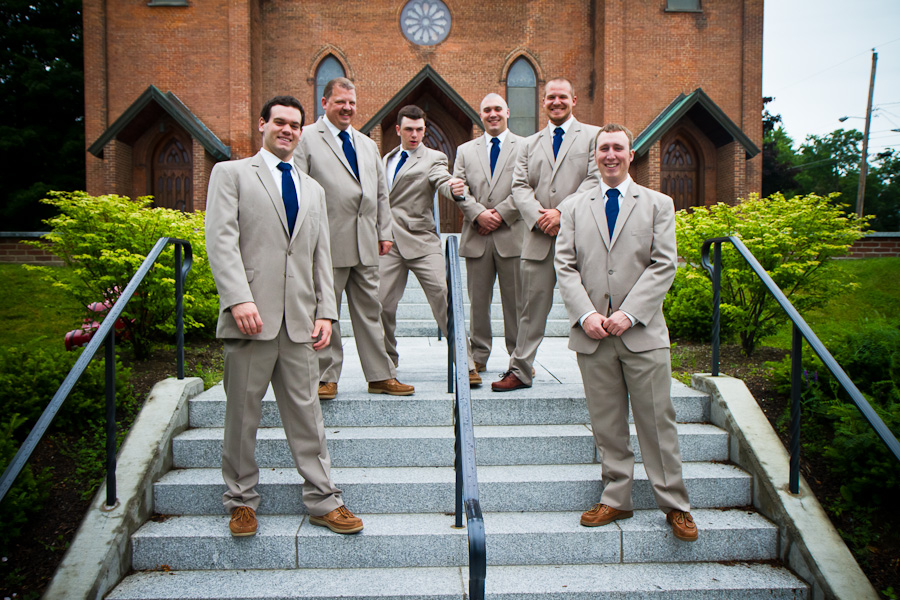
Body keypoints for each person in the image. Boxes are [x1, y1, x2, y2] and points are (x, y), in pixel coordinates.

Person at [205, 95, 363, 537]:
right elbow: (220, 239)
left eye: (295, 125)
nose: (288, 130)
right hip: (250, 319)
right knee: (242, 416)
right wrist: (238, 299)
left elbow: (320, 255)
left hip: (300, 323)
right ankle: (240, 500)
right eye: (279, 122)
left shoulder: (313, 189)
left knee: (308, 417)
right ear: (262, 124)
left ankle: (323, 499)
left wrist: (326, 312)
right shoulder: (232, 174)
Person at [554, 123, 698, 542]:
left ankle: (675, 504)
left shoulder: (658, 204)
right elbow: (565, 265)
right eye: (604, 148)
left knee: (657, 421)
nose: (610, 155)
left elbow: (663, 264)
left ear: (631, 155)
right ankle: (616, 497)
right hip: (593, 334)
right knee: (607, 423)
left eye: (618, 148)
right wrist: (586, 315)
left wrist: (630, 314)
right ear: (595, 155)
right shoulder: (574, 207)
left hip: (642, 334)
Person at [294, 78, 414, 399]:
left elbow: (380, 192)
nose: (347, 108)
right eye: (340, 102)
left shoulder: (366, 143)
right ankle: (325, 377)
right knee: (325, 313)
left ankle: (380, 376)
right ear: (324, 103)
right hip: (326, 244)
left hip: (365, 244)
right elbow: (301, 191)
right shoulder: (306, 138)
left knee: (371, 312)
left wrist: (384, 231)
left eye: (351, 103)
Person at [492, 77, 600, 391]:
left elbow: (594, 180)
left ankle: (598, 373)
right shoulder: (528, 144)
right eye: (551, 97)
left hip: (581, 238)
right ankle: (520, 370)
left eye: (562, 97)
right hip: (538, 237)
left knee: (589, 306)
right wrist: (540, 218)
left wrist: (561, 213)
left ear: (574, 100)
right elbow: (519, 186)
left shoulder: (593, 137)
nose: (556, 102)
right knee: (530, 309)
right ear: (544, 102)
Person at [380, 104, 480, 385]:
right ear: (398, 130)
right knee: (381, 305)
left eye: (419, 129)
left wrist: (454, 190)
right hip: (389, 244)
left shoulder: (434, 157)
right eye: (409, 129)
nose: (415, 135)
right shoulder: (386, 159)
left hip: (422, 242)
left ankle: (465, 363)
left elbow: (442, 180)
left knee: (444, 300)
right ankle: (386, 363)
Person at [450, 93, 525, 373]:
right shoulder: (465, 150)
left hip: (512, 236)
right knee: (478, 303)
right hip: (477, 236)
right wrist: (478, 214)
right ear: (480, 115)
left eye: (497, 109)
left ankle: (519, 357)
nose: (492, 114)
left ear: (507, 112)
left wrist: (500, 214)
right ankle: (478, 356)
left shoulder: (525, 147)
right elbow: (459, 188)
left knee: (516, 303)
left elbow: (527, 187)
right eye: (486, 110)